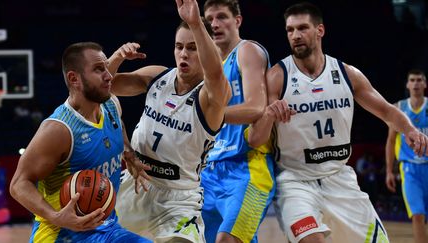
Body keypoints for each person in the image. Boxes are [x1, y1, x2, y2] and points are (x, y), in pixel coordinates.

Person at [248, 2, 428, 243]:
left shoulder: (346, 74)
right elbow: (255, 139)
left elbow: (386, 110)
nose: (296, 35)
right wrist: (269, 114)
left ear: (320, 30)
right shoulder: (278, 76)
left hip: (339, 178)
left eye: (302, 28)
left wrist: (411, 130)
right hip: (295, 181)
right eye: (290, 30)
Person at [110, 0, 231, 242]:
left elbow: (216, 75)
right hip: (135, 184)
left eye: (193, 47)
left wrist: (196, 23)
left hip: (178, 199)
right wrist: (116, 57)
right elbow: (103, 87)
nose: (184, 53)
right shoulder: (157, 76)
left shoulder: (210, 98)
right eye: (179, 46)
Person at [9, 42, 151, 242]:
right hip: (62, 235)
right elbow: (18, 184)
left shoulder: (111, 105)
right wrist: (56, 217)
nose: (109, 76)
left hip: (107, 229)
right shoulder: (58, 130)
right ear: (74, 79)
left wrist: (129, 154)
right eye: (98, 69)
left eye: (106, 68)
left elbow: (118, 127)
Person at [200, 1, 274, 242]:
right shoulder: (209, 68)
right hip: (209, 170)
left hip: (248, 167)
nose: (215, 24)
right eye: (209, 19)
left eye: (222, 17)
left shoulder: (247, 50)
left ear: (238, 21)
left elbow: (256, 107)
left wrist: (207, 115)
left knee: (227, 240)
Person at [385, 69, 428, 243]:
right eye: (413, 80)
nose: (416, 83)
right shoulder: (398, 108)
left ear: (424, 84)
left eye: (419, 80)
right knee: (417, 214)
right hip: (409, 168)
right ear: (407, 84)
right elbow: (390, 141)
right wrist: (389, 170)